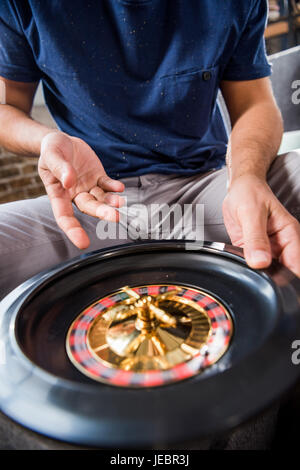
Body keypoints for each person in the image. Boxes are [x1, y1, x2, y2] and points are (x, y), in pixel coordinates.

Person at [0, 0, 300, 302]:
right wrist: (46, 140)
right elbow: (6, 107)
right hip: (94, 203)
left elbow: (255, 103)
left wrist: (247, 177)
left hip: (207, 193)